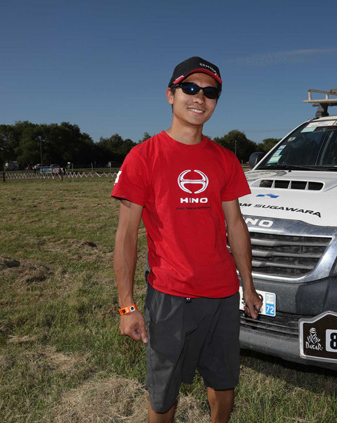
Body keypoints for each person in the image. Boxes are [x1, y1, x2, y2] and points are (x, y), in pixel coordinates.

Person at [112, 56, 263, 423]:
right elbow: (126, 234)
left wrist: (249, 285)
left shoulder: (225, 159)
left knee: (224, 380)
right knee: (163, 392)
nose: (200, 98)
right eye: (190, 88)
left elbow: (236, 224)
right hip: (170, 295)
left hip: (222, 294)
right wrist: (127, 305)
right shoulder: (143, 157)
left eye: (210, 92)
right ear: (170, 95)